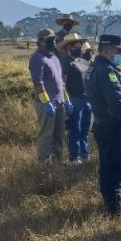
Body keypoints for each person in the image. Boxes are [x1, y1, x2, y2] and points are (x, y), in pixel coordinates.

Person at [85, 35, 121, 216]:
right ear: (106, 49)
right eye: (117, 50)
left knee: (107, 165)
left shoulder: (94, 68)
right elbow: (116, 101)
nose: (119, 54)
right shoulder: (106, 72)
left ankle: (109, 202)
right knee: (115, 165)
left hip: (102, 124)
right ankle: (114, 206)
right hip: (113, 126)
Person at [28, 28, 69, 163]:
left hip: (59, 102)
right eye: (49, 40)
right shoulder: (37, 58)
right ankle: (44, 163)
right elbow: (38, 83)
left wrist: (66, 99)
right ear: (39, 42)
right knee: (47, 134)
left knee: (58, 134)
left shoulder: (54, 58)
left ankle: (57, 161)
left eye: (53, 40)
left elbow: (61, 82)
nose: (52, 42)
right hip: (47, 104)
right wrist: (46, 102)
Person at [58, 33, 92, 163]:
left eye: (80, 46)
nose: (79, 48)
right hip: (74, 98)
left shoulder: (81, 61)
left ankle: (85, 153)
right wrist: (65, 100)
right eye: (76, 46)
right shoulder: (65, 62)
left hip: (86, 98)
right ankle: (74, 157)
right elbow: (62, 82)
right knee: (75, 129)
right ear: (68, 47)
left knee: (84, 128)